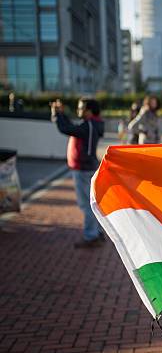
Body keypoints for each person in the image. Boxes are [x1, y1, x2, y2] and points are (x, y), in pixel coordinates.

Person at [51, 98, 105, 248]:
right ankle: (97, 231)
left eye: (81, 108)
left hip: (83, 169)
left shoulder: (89, 125)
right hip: (87, 167)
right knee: (92, 204)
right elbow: (72, 127)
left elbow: (67, 128)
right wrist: (60, 114)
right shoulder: (92, 124)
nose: (78, 111)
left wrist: (57, 114)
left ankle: (91, 236)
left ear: (89, 111)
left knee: (86, 205)